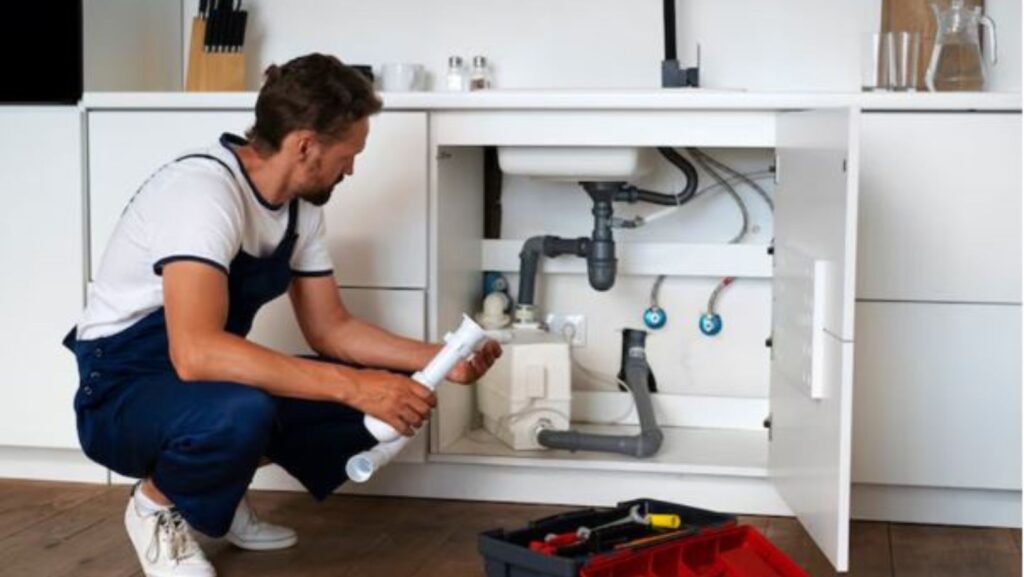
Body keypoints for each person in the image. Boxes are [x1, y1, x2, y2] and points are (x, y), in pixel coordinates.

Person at [62, 53, 501, 577]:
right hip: (122, 390)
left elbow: (332, 329)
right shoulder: (203, 194)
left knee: (388, 390)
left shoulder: (301, 208)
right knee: (246, 411)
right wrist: (354, 388)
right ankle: (156, 507)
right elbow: (196, 352)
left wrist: (439, 359)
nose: (351, 169)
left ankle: (218, 493)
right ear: (305, 145)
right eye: (348, 154)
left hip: (205, 381)